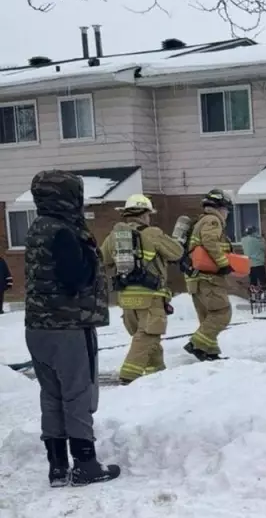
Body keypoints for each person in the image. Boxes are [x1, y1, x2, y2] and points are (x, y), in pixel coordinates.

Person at [24, 169, 120, 487]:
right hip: (67, 326)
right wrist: (92, 257)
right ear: (67, 197)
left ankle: (57, 466)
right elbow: (75, 277)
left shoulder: (37, 227)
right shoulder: (64, 231)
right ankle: (85, 463)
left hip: (37, 327)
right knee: (77, 394)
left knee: (51, 395)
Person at [100, 194, 184, 384]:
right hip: (151, 296)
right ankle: (129, 376)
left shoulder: (114, 236)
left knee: (148, 339)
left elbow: (102, 259)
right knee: (149, 336)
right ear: (145, 214)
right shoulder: (152, 233)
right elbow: (177, 252)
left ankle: (158, 375)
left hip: (126, 298)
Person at [184, 189, 235, 361]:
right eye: (227, 210)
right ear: (220, 208)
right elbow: (210, 241)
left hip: (196, 279)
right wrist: (223, 264)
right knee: (222, 313)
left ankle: (209, 351)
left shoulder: (200, 221)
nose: (227, 213)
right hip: (208, 278)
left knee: (208, 316)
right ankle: (196, 344)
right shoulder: (213, 221)